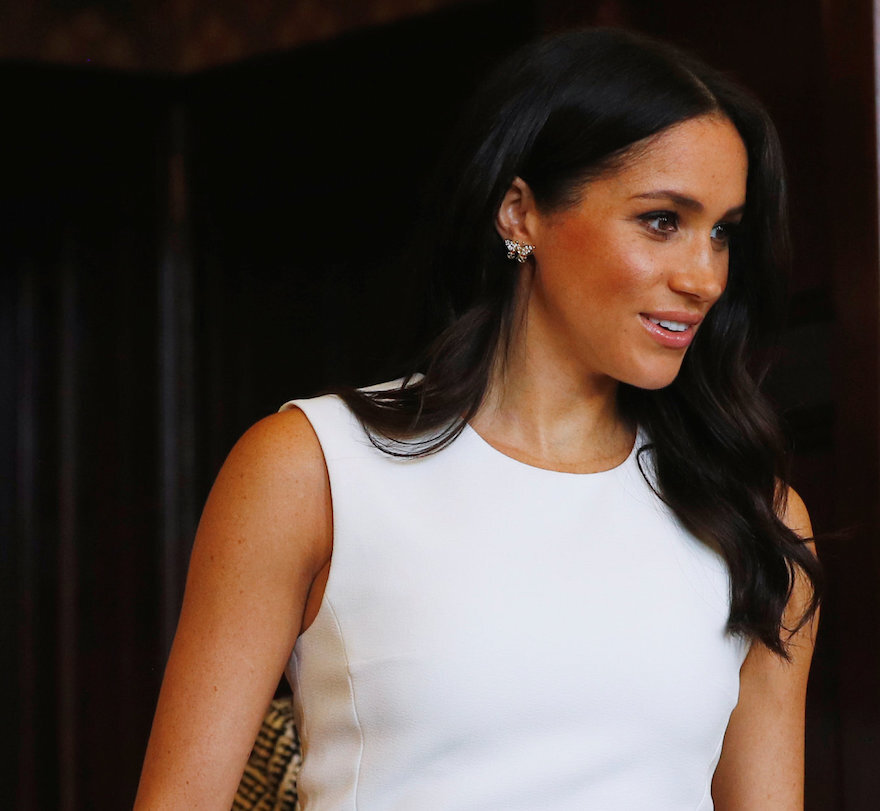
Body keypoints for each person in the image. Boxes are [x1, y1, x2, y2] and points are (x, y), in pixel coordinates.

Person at [135, 28, 822, 810]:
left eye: (722, 232)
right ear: (520, 212)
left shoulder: (753, 518)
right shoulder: (313, 468)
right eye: (662, 220)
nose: (704, 277)